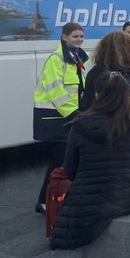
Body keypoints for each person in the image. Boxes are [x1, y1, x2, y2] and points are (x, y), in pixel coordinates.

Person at [50, 71, 130, 249]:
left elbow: (69, 171)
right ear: (126, 95)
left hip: (83, 203)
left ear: (97, 94)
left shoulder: (79, 126)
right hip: (126, 198)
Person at [33, 22, 88, 214]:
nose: (79, 39)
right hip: (56, 118)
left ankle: (48, 200)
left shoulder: (75, 58)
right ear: (64, 37)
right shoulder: (56, 60)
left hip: (66, 117)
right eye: (75, 36)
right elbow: (56, 92)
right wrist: (74, 113)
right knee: (58, 162)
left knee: (60, 162)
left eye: (81, 36)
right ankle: (45, 201)